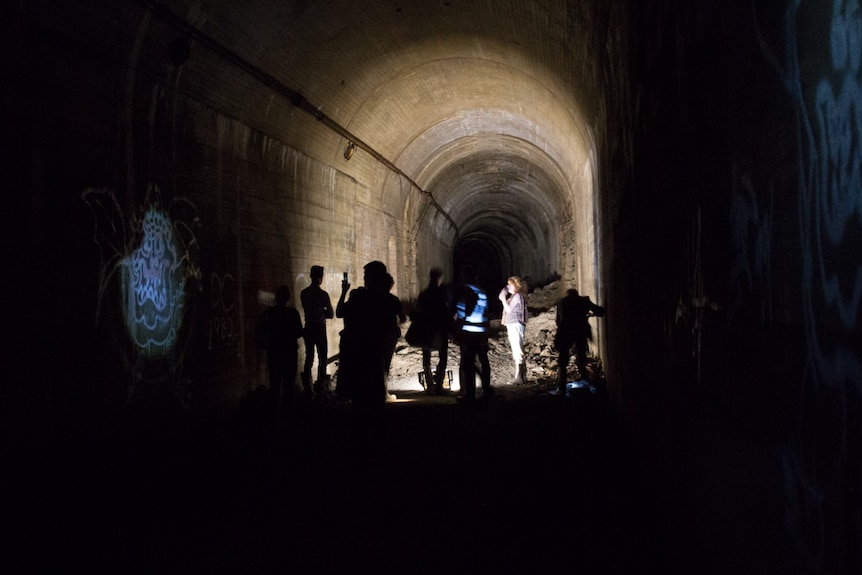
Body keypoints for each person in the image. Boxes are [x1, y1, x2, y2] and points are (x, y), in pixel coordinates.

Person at [336, 261, 392, 453]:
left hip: (359, 355)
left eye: (367, 275)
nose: (365, 278)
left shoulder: (358, 296)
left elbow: (339, 312)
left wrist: (345, 292)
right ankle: (376, 445)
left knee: (360, 402)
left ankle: (360, 446)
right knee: (373, 402)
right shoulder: (383, 300)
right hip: (373, 355)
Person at [260, 285, 304, 428]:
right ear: (288, 298)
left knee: (275, 386)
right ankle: (288, 418)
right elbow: (298, 332)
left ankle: (274, 418)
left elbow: (263, 332)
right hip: (289, 353)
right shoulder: (293, 313)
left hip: (274, 354)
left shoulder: (269, 313)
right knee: (289, 387)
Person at [554, 288, 605, 396]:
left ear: (567, 294)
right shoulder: (584, 300)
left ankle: (561, 386)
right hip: (580, 331)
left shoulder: (562, 301)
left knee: (563, 360)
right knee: (581, 356)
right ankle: (584, 382)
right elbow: (600, 311)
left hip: (566, 331)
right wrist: (591, 314)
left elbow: (558, 321)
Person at [454, 264, 492, 401]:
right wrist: (487, 330)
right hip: (481, 331)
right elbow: (487, 312)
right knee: (483, 360)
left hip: (469, 332)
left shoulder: (465, 290)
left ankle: (470, 394)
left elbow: (462, 311)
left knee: (467, 364)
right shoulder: (482, 290)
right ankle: (486, 389)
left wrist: (458, 330)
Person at [300, 265, 334, 399]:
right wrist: (322, 312)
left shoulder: (304, 293)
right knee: (322, 358)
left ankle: (308, 389)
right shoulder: (323, 295)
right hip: (320, 328)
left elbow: (306, 308)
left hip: (308, 327)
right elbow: (331, 314)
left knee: (309, 357)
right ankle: (321, 388)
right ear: (320, 278)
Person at [417, 268, 452, 394]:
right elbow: (447, 310)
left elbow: (420, 310)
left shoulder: (424, 294)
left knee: (426, 355)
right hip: (440, 327)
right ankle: (439, 385)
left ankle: (430, 384)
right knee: (443, 355)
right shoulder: (443, 293)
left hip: (427, 327)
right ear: (439, 278)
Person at [498, 276, 528, 385]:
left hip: (515, 323)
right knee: (517, 348)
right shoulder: (516, 296)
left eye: (510, 285)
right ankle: (521, 375)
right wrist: (506, 290)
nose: (508, 287)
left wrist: (502, 299)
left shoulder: (517, 296)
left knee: (517, 348)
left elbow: (509, 309)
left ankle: (519, 376)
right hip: (514, 324)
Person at [381, 272, 406, 401]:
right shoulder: (393, 299)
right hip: (389, 335)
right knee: (386, 364)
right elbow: (403, 318)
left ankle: (378, 392)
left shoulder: (375, 300)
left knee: (378, 363)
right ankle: (384, 393)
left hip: (377, 334)